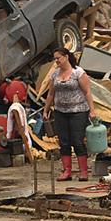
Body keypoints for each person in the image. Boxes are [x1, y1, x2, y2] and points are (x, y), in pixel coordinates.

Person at [43, 47, 96, 182]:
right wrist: (46, 110)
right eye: (55, 59)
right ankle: (67, 171)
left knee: (77, 140)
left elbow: (87, 92)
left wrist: (92, 110)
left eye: (58, 58)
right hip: (61, 111)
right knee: (64, 141)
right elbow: (50, 94)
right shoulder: (55, 74)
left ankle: (83, 171)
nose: (56, 61)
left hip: (78, 111)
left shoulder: (78, 72)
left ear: (66, 57)